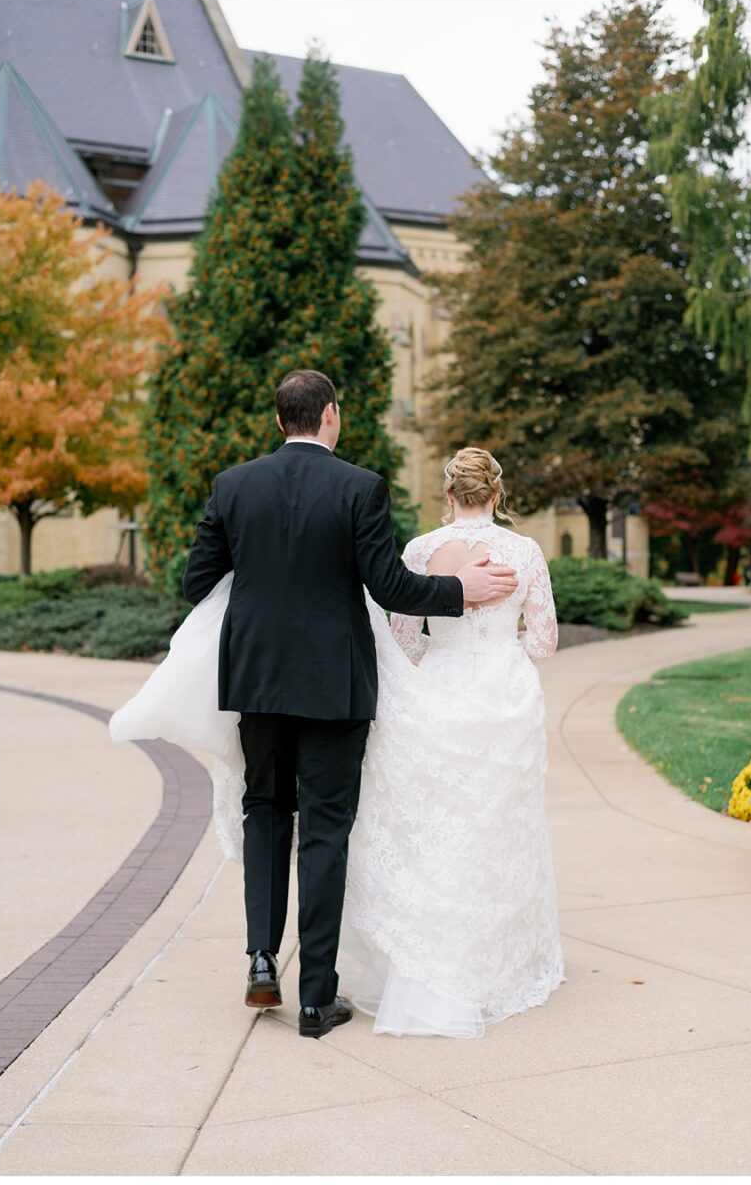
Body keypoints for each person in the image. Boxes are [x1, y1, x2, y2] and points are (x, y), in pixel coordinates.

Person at [112, 370, 563, 1039]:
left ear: (279, 420)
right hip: (335, 686)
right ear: (329, 416)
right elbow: (390, 586)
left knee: (265, 809)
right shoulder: (359, 487)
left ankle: (262, 961)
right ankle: (318, 999)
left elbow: (195, 582)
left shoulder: (234, 487)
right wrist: (459, 589)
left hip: (257, 681)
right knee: (325, 828)